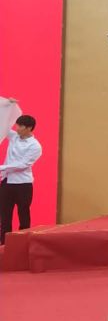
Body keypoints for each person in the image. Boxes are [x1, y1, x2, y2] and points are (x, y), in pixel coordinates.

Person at [0, 105, 42, 245]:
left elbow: (22, 165)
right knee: (5, 216)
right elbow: (3, 124)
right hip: (7, 182)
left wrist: (2, 167)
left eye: (20, 126)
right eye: (17, 125)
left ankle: (23, 244)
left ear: (29, 128)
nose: (17, 128)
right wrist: (8, 105)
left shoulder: (35, 146)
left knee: (23, 215)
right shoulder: (14, 137)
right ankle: (4, 244)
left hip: (23, 185)